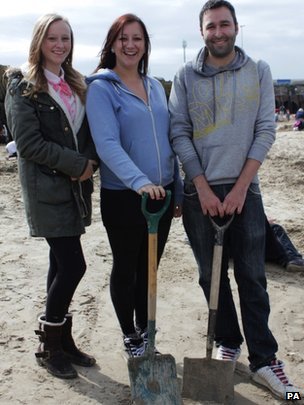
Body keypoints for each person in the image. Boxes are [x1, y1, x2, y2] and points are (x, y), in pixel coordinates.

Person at [169, 0, 301, 399]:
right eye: (211, 26)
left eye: (225, 24)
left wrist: (243, 186)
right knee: (210, 276)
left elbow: (265, 129)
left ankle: (264, 360)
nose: (219, 32)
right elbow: (179, 133)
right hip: (198, 192)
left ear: (236, 28)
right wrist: (203, 188)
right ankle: (229, 340)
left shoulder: (258, 71)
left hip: (246, 188)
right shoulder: (185, 76)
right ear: (202, 31)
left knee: (252, 276)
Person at [5, 13, 99, 379]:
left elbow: (86, 130)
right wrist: (78, 164)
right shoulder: (24, 85)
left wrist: (90, 160)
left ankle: (61, 340)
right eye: (52, 38)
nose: (60, 45)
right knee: (74, 265)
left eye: (66, 39)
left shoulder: (75, 83)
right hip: (47, 190)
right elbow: (28, 144)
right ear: (39, 42)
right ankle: (49, 343)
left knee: (60, 264)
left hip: (75, 190)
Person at [85, 13, 183, 358]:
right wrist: (140, 182)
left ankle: (146, 331)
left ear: (145, 45)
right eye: (123, 38)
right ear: (112, 44)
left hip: (163, 194)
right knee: (126, 268)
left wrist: (177, 186)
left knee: (149, 269)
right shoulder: (101, 87)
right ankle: (130, 336)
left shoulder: (154, 84)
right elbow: (107, 144)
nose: (130, 45)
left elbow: (168, 140)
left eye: (137, 38)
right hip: (125, 197)